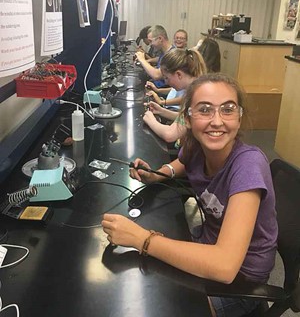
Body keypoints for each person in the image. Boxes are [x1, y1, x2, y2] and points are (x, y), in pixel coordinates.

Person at [102, 73, 278, 317]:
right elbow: (181, 164)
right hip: (207, 245)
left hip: (240, 280)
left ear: (239, 117)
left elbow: (225, 267)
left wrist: (142, 239)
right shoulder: (198, 146)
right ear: (188, 118)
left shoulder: (248, 165)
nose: (217, 121)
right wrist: (157, 175)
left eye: (228, 109)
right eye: (205, 110)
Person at [143, 48, 207, 142]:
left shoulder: (196, 95)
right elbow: (184, 119)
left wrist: (150, 119)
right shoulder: (197, 87)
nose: (166, 82)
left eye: (166, 78)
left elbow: (170, 135)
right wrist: (161, 111)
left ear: (179, 75)